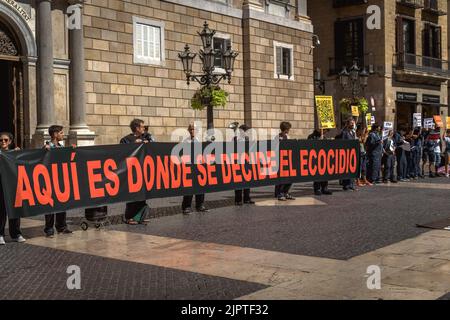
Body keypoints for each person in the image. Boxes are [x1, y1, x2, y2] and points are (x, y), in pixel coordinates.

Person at [120, 119, 152, 224]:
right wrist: (133, 144)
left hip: (143, 171)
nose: (144, 128)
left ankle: (140, 217)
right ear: (137, 128)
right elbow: (121, 153)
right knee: (132, 196)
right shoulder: (126, 139)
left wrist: (149, 143)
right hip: (131, 172)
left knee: (142, 196)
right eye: (142, 127)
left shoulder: (146, 138)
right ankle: (129, 217)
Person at [43, 125, 73, 237]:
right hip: (49, 180)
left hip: (60, 179)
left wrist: (72, 151)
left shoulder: (61, 147)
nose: (63, 135)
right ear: (55, 134)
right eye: (61, 133)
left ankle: (61, 226)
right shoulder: (46, 147)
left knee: (62, 203)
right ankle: (49, 229)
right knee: (50, 205)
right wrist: (44, 150)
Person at [0, 132, 25, 245]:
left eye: (5, 140)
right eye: (1, 140)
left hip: (13, 185)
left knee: (15, 209)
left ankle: (16, 234)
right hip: (1, 186)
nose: (3, 142)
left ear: (10, 141)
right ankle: (0, 234)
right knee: (1, 210)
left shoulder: (15, 153)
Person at [182, 124, 208, 214]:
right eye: (191, 129)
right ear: (188, 130)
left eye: (194, 129)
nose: (192, 131)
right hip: (189, 167)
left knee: (200, 187)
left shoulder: (200, 141)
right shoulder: (185, 141)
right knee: (189, 188)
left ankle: (200, 205)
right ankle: (186, 207)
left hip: (199, 167)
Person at [234, 124, 255, 205]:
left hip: (246, 162)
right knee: (238, 182)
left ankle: (247, 198)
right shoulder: (235, 139)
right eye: (246, 131)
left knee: (247, 181)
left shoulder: (247, 138)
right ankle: (238, 200)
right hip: (238, 162)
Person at [308, 129, 332, 195]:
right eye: (325, 130)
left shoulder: (324, 137)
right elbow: (309, 146)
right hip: (315, 158)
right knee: (317, 175)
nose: (325, 132)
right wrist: (318, 141)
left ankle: (324, 188)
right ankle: (317, 189)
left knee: (325, 174)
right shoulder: (311, 136)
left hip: (323, 158)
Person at [275, 122, 295, 201]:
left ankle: (285, 192)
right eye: (287, 129)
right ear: (285, 129)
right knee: (281, 178)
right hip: (279, 160)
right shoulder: (277, 137)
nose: (288, 131)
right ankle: (279, 193)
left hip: (287, 159)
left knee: (290, 177)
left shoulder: (288, 137)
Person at [341, 118, 357, 191]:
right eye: (351, 123)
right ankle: (346, 185)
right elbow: (343, 143)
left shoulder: (353, 132)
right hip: (346, 154)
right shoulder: (344, 132)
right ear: (347, 124)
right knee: (347, 170)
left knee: (352, 170)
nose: (352, 124)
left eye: (353, 123)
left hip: (352, 153)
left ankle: (351, 184)